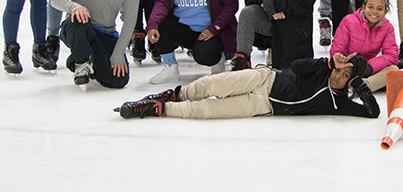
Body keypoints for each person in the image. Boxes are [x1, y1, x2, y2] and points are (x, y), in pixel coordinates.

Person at [115, 53, 379, 120]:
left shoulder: (339, 102)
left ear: (350, 82)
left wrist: (359, 83)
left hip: (264, 105)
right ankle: (174, 94)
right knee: (212, 84)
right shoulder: (325, 70)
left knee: (207, 110)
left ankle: (158, 108)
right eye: (340, 70)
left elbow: (372, 112)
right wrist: (326, 63)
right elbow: (297, 66)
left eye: (345, 76)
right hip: (266, 79)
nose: (337, 76)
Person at [330, 0, 399, 91]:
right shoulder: (349, 21)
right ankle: (356, 84)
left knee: (393, 70)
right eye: (370, 7)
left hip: (368, 69)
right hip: (347, 66)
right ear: (363, 7)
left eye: (379, 9)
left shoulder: (387, 28)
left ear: (385, 12)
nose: (374, 12)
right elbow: (337, 51)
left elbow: (392, 55)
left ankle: (362, 87)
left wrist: (370, 67)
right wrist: (350, 65)